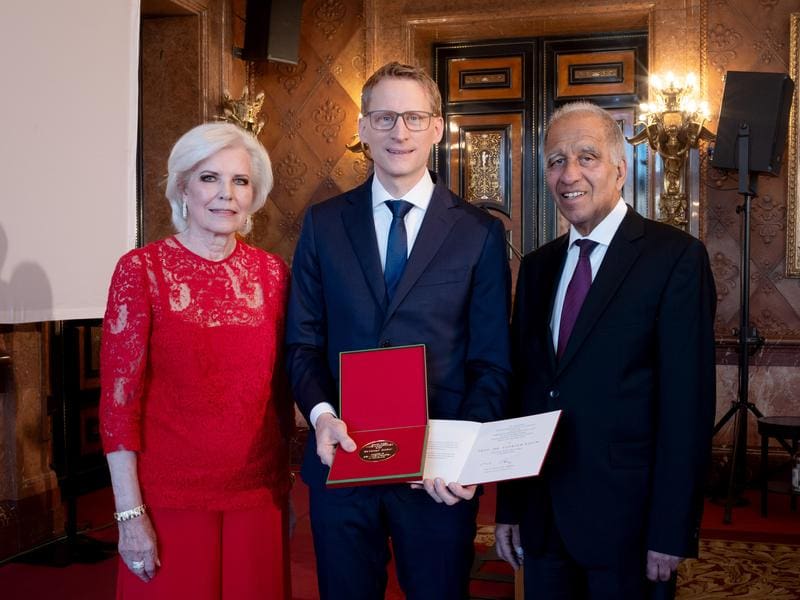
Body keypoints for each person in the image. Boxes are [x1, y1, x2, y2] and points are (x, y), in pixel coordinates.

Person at [285, 61, 511, 600]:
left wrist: (461, 452)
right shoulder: (322, 224)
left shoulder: (479, 233)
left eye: (413, 117)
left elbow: (491, 361)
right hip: (341, 461)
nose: (399, 132)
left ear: (437, 127)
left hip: (435, 477)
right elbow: (301, 342)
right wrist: (320, 416)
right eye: (384, 117)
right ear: (362, 129)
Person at [494, 101, 717, 599]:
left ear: (620, 169)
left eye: (586, 157)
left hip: (630, 525)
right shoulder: (537, 268)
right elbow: (524, 395)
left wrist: (672, 527)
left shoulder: (675, 259)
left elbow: (688, 406)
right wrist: (509, 507)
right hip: (545, 518)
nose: (569, 173)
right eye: (556, 161)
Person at [100, 122, 293, 600]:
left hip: (258, 494)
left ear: (254, 195)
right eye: (209, 178)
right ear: (182, 186)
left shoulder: (273, 274)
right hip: (169, 499)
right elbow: (118, 405)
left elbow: (285, 388)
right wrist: (129, 514)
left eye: (240, 181)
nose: (226, 194)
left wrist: (286, 488)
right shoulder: (140, 270)